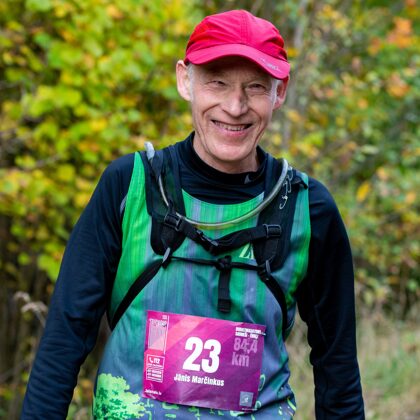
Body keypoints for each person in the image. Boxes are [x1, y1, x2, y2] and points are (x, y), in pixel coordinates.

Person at [22, 9, 365, 419]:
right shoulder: (129, 187)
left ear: (280, 92)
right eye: (217, 82)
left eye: (255, 87)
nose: (234, 106)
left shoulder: (307, 208)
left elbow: (337, 365)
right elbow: (65, 337)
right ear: (185, 80)